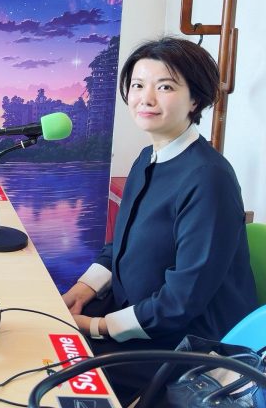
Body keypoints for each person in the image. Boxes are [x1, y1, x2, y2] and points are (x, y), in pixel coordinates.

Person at [62, 36, 257, 404]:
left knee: (63, 370)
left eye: (164, 87)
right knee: (45, 331)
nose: (145, 98)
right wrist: (84, 288)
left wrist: (98, 326)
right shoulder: (147, 158)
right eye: (138, 85)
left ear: (195, 99)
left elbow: (181, 302)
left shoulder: (208, 178)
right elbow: (119, 245)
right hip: (140, 318)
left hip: (191, 346)